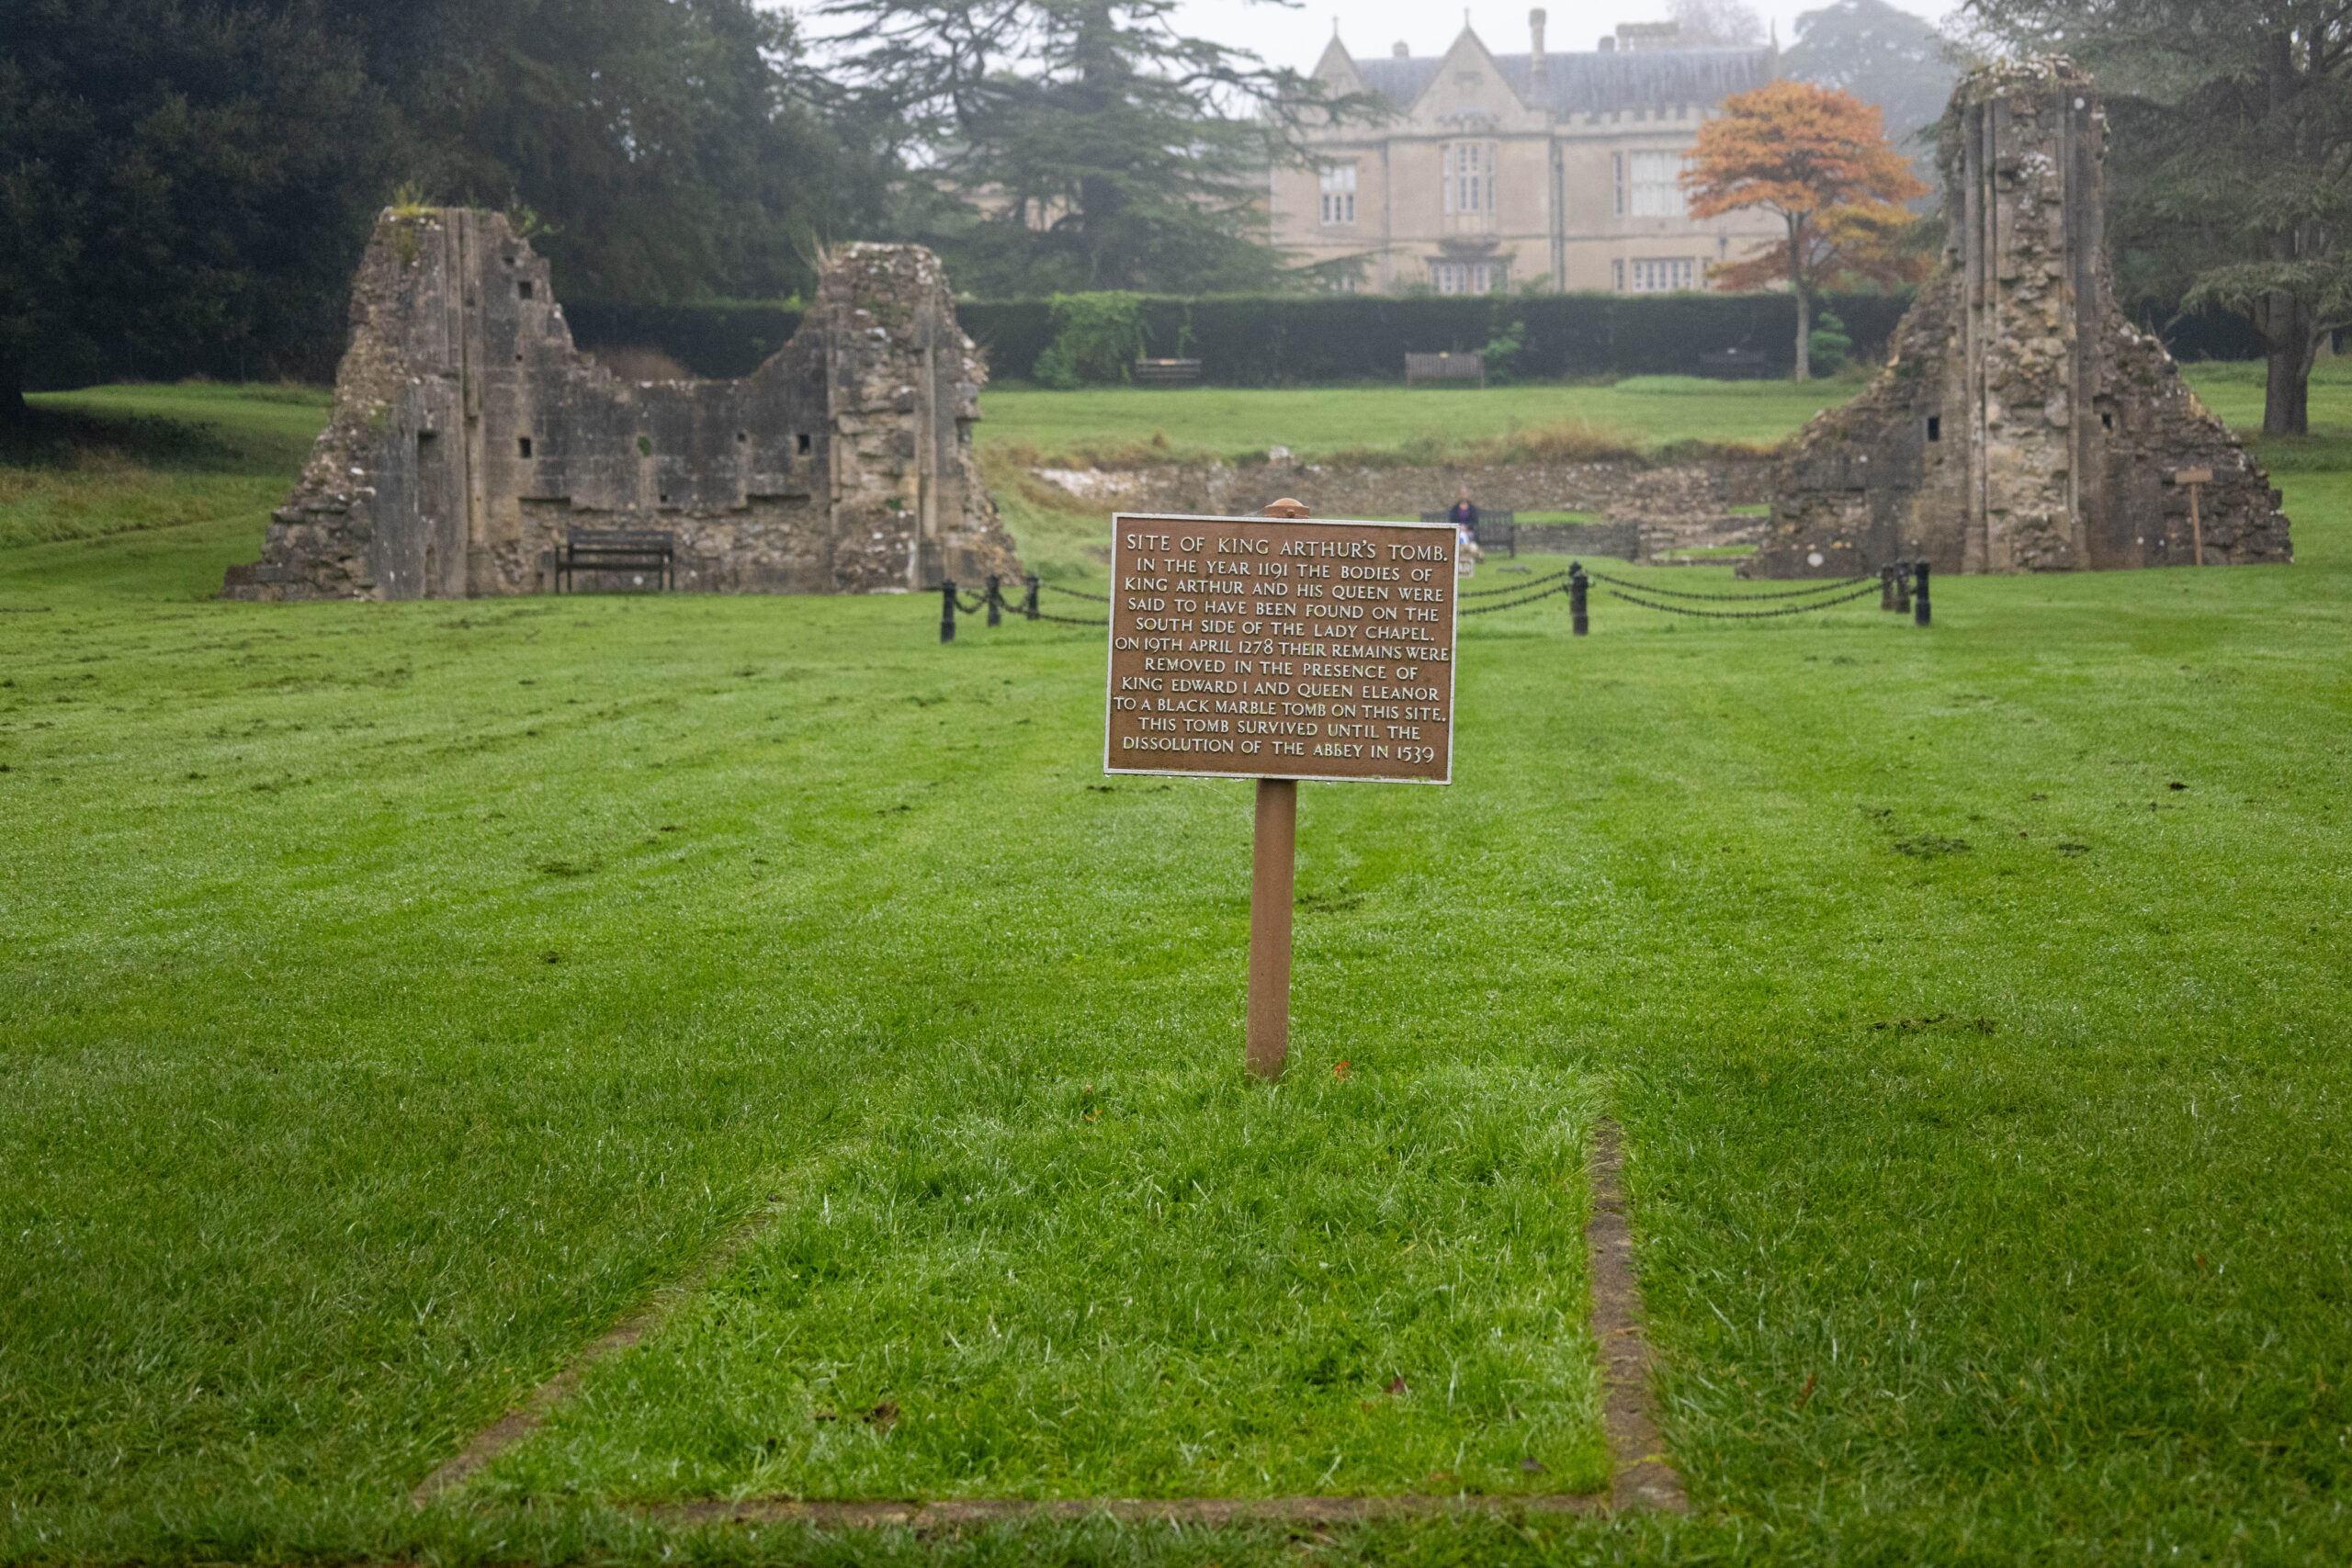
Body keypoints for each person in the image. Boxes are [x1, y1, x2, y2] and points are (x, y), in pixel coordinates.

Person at [1448, 486, 1483, 577]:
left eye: (1465, 493)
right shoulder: (1455, 509)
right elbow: (1452, 521)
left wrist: (1467, 527)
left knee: (1466, 536)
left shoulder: (1472, 509)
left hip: (1469, 531)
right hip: (1458, 531)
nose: (1463, 495)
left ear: (1468, 495)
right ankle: (1462, 555)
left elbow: (1475, 522)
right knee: (1460, 536)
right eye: (1462, 493)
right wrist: (1460, 527)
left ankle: (1466, 556)